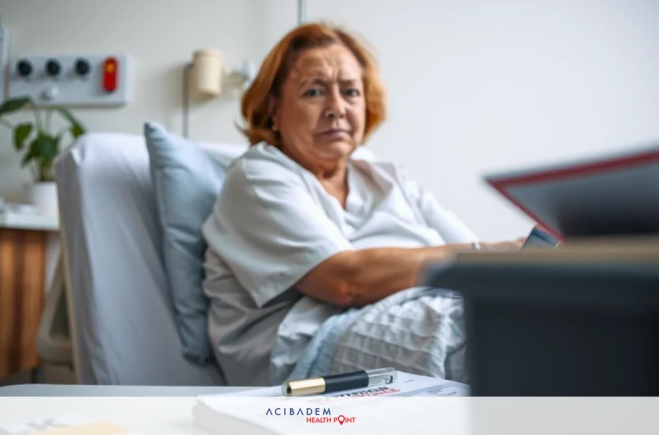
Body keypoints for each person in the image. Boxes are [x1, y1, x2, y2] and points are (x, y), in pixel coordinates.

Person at [201, 22, 522, 386]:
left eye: (351, 92)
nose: (336, 108)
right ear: (273, 108)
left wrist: (522, 259)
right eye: (314, 91)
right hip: (316, 340)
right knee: (482, 333)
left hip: (423, 304)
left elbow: (474, 256)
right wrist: (495, 254)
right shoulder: (258, 175)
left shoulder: (387, 176)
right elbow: (345, 281)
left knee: (537, 313)